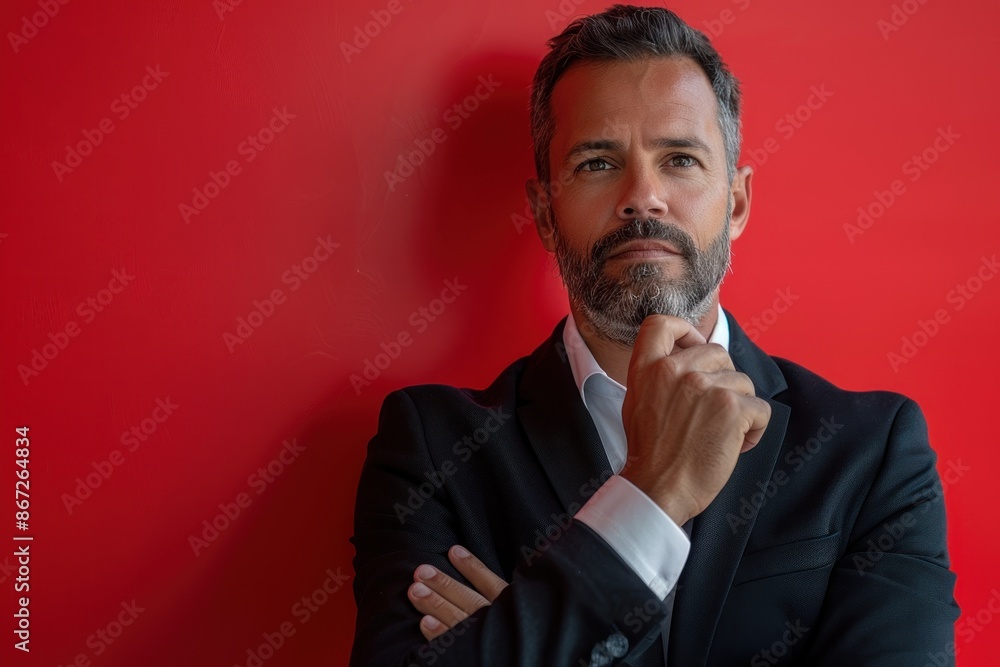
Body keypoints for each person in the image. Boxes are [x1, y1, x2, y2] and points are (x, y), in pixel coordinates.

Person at [348, 5, 960, 665]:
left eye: (679, 159)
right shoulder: (432, 447)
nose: (644, 196)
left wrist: (517, 635)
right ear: (545, 215)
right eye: (596, 163)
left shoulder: (872, 453)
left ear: (739, 203)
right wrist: (653, 489)